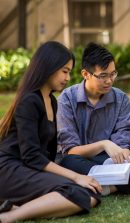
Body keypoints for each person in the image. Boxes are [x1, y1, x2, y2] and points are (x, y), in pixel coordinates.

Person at [0, 41, 102, 223]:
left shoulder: (51, 101)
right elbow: (32, 156)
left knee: (88, 194)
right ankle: (9, 216)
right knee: (80, 192)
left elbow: (47, 154)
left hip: (28, 168)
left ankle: (14, 206)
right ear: (48, 67)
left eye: (69, 71)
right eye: (64, 71)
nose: (68, 77)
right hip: (9, 170)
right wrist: (77, 176)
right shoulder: (29, 101)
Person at [57, 42, 130, 195]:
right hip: (82, 161)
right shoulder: (67, 99)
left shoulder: (121, 98)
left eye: (113, 74)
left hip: (115, 162)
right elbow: (71, 151)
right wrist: (104, 144)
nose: (110, 80)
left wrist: (123, 151)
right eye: (103, 76)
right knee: (67, 162)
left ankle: (110, 185)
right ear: (85, 74)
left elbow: (124, 139)